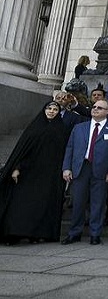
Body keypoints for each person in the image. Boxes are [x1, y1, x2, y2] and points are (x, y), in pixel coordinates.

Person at [0, 102, 68, 244]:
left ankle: (37, 234)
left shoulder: (61, 129)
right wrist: (16, 168)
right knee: (20, 204)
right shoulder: (34, 128)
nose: (51, 111)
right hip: (27, 173)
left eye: (55, 109)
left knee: (41, 206)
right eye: (49, 108)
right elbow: (22, 150)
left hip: (49, 175)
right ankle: (14, 233)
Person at [61, 99, 108, 245]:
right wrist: (66, 167)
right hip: (81, 168)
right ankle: (74, 233)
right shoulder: (79, 128)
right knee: (78, 202)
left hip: (101, 171)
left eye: (100, 108)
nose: (95, 109)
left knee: (98, 203)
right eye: (94, 107)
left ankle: (95, 234)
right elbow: (69, 148)